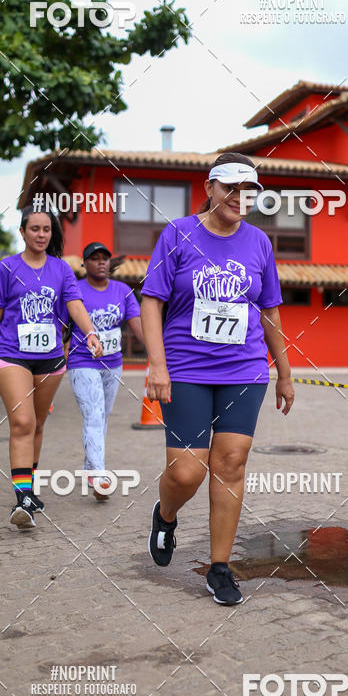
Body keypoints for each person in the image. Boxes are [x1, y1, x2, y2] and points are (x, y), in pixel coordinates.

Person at [141, 152, 295, 605]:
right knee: (187, 471)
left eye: (248, 190)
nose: (238, 197)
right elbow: (151, 300)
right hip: (186, 369)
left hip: (244, 371)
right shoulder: (178, 234)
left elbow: (269, 312)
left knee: (230, 463)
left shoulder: (258, 243)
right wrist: (157, 365)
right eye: (229, 187)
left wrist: (284, 373)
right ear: (209, 187)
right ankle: (166, 514)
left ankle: (220, 567)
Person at [0, 207, 103, 529]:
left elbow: (75, 305)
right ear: (23, 231)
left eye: (46, 230)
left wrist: (91, 332)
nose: (41, 235)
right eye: (35, 229)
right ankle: (23, 499)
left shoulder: (61, 270)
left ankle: (29, 487)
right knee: (22, 422)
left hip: (51, 358)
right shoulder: (6, 268)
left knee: (38, 423)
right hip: (12, 354)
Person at [67, 242, 144, 500]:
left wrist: (159, 355)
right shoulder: (75, 290)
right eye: (94, 258)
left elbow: (137, 325)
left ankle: (89, 467)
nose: (101, 262)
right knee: (94, 414)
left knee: (103, 416)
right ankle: (99, 476)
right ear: (84, 264)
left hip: (113, 364)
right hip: (82, 361)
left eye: (105, 258)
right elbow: (60, 324)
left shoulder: (122, 291)